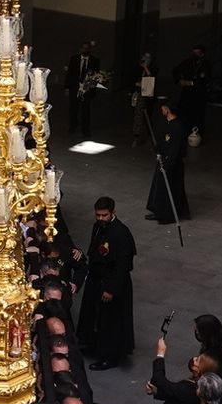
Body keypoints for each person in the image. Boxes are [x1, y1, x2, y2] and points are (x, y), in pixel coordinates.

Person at [77, 196, 136, 370]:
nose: (101, 218)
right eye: (98, 215)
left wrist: (111, 289)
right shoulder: (98, 227)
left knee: (110, 321)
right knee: (94, 315)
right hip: (97, 279)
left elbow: (122, 266)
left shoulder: (121, 233)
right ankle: (93, 344)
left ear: (113, 213)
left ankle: (110, 356)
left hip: (111, 283)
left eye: (104, 215)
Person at [144, 100, 189, 225]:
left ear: (167, 109)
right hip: (163, 160)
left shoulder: (178, 126)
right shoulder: (167, 123)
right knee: (160, 188)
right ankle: (159, 212)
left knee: (171, 189)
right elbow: (164, 140)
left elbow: (176, 148)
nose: (162, 110)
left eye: (163, 108)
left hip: (172, 163)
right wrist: (158, 148)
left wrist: (168, 164)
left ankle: (168, 216)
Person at [172, 43, 211, 137]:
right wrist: (180, 81)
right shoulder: (188, 62)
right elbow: (176, 71)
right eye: (194, 53)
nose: (195, 55)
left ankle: (196, 134)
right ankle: (182, 132)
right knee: (183, 112)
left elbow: (205, 79)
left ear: (202, 54)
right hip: (187, 93)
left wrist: (191, 83)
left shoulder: (206, 65)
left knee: (198, 115)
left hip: (199, 94)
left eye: (197, 53)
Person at [64, 42, 100, 137]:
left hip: (87, 89)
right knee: (73, 108)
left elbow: (96, 76)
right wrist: (67, 88)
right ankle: (73, 125)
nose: (85, 50)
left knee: (85, 109)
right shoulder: (74, 59)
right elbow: (70, 74)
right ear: (80, 49)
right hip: (74, 87)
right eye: (83, 48)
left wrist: (92, 86)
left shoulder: (95, 61)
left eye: (86, 48)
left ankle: (85, 129)